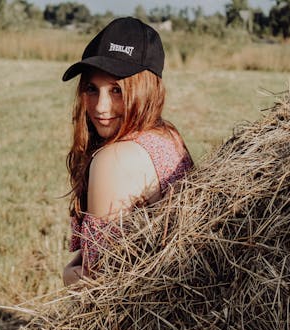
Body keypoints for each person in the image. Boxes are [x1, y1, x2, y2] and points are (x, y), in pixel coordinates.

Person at [61, 17, 194, 286]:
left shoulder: (114, 160)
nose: (100, 107)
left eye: (117, 90)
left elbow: (102, 289)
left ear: (147, 90)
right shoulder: (167, 135)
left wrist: (68, 278)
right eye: (92, 89)